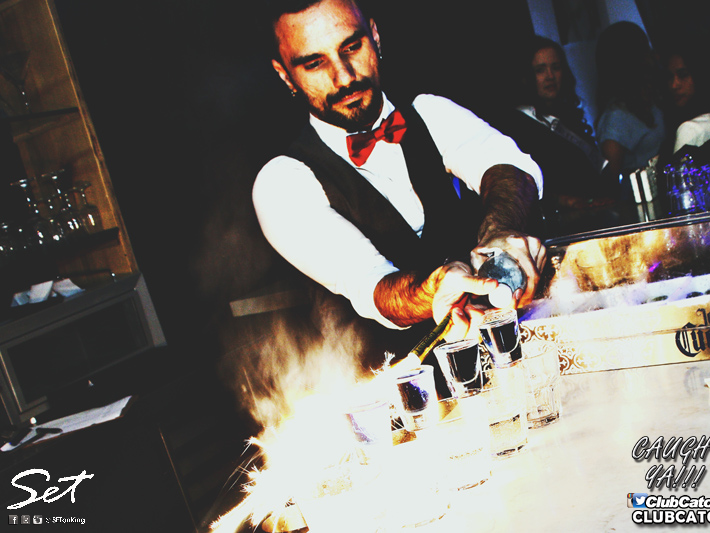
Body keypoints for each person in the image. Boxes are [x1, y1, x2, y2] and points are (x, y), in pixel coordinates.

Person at [252, 0, 546, 354]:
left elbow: (508, 168)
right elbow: (371, 283)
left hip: (502, 351)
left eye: (351, 47)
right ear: (285, 74)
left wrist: (499, 231)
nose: (344, 77)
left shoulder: (429, 112)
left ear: (375, 36)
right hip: (391, 379)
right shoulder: (282, 182)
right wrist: (433, 290)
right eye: (314, 63)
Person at [480, 36, 617, 237]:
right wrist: (566, 200)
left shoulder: (569, 117)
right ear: (527, 76)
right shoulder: (516, 124)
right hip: (555, 230)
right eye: (540, 70)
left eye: (556, 67)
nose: (550, 76)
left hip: (596, 218)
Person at [595, 22, 665, 181]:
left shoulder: (650, 100)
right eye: (645, 50)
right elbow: (610, 180)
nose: (652, 56)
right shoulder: (616, 118)